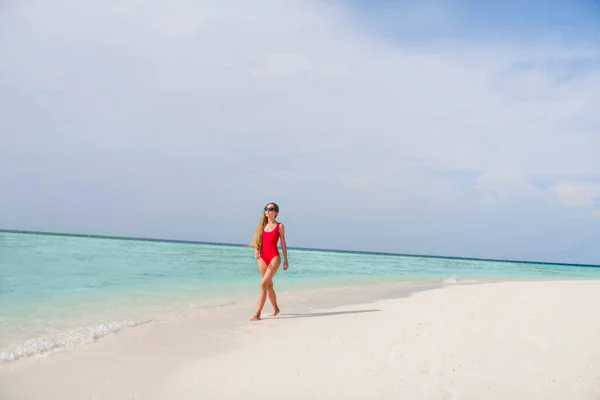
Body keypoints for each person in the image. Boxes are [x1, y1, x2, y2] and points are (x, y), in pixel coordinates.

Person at [248, 202, 289, 321]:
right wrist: (256, 250)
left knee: (262, 284)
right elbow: (257, 240)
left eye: (271, 209)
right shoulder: (262, 226)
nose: (268, 211)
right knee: (269, 285)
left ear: (276, 213)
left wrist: (286, 260)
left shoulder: (280, 226)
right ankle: (275, 308)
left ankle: (257, 314)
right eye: (266, 208)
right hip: (262, 257)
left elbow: (283, 243)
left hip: (274, 257)